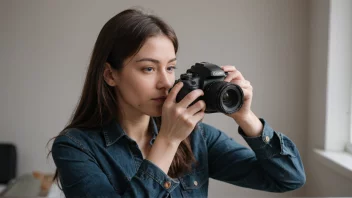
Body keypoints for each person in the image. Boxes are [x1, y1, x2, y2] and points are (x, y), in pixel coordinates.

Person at [50, 8, 306, 198]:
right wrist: (168, 141)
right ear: (110, 74)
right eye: (149, 69)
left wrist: (245, 117)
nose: (165, 82)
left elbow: (289, 178)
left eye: (170, 67)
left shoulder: (197, 137)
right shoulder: (76, 148)